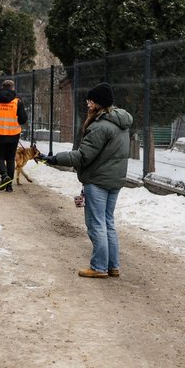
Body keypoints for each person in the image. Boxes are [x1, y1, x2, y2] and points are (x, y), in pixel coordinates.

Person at [40, 82, 132, 279]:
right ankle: (112, 266)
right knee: (107, 222)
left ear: (99, 103)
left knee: (96, 224)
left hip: (98, 181)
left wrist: (55, 159)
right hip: (113, 180)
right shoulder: (121, 124)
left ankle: (99, 267)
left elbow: (83, 156)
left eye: (91, 100)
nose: (88, 103)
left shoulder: (100, 127)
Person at [0, 78, 28, 192]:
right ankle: (9, 186)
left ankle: (4, 175)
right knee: (10, 159)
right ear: (13, 88)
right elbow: (23, 120)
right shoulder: (18, 102)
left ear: (2, 87)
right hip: (13, 135)